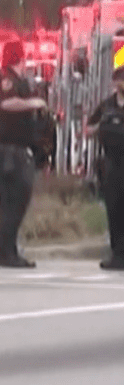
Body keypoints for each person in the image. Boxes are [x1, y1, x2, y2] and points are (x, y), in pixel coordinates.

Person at [0, 39, 47, 269]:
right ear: (18, 58)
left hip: (17, 149)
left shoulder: (20, 81)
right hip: (8, 150)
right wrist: (33, 103)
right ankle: (6, 253)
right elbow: (6, 104)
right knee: (14, 201)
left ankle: (7, 251)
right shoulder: (6, 79)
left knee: (12, 202)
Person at [85, 66, 124, 271]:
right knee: (114, 209)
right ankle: (117, 255)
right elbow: (87, 129)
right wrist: (101, 126)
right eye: (119, 80)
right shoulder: (107, 106)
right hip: (111, 163)